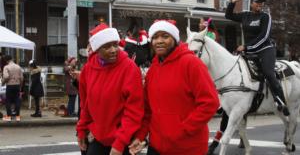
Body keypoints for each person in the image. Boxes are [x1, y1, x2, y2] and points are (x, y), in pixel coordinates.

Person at [129, 19, 220, 155]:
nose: (159, 41)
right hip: (157, 146)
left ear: (175, 39)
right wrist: (140, 136)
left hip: (187, 147)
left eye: (165, 36)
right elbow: (148, 110)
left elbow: (210, 103)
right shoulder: (153, 70)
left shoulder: (191, 63)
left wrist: (183, 130)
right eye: (155, 37)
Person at [76, 23, 144, 155]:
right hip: (98, 138)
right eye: (106, 47)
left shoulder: (129, 68)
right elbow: (85, 105)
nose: (113, 50)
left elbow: (134, 111)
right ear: (96, 49)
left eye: (115, 45)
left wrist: (120, 143)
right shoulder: (88, 69)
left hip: (123, 139)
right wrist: (81, 130)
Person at [225, 0, 289, 116]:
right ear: (251, 3)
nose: (260, 4)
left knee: (268, 73)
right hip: (250, 51)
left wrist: (246, 47)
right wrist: (232, 3)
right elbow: (228, 15)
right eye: (258, 2)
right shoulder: (245, 15)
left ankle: (280, 100)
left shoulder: (265, 17)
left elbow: (264, 37)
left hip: (266, 49)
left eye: (262, 2)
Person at [2, 55, 23, 121]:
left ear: (6, 61)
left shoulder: (6, 67)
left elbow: (6, 76)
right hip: (17, 85)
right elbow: (22, 78)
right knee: (17, 100)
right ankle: (17, 117)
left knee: (8, 101)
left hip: (10, 85)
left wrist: (3, 83)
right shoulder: (18, 66)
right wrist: (20, 86)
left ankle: (9, 117)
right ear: (12, 59)